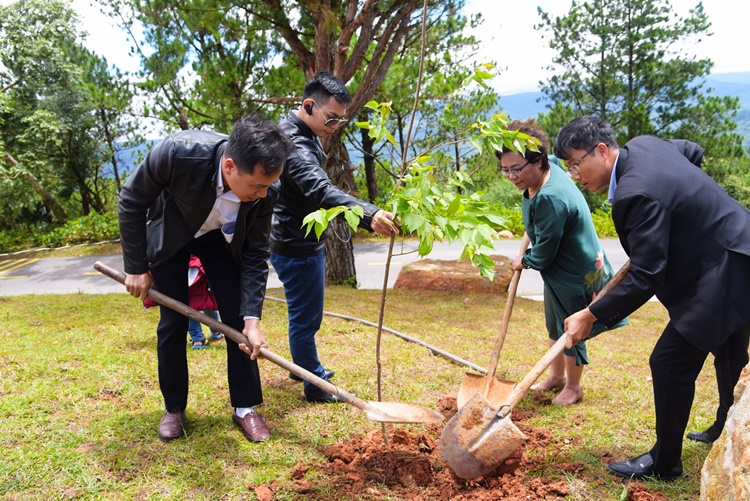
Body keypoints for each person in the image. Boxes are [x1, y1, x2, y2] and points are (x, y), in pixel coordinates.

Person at [557, 115, 750, 481]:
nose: (575, 175)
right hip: (740, 246)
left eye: (575, 164)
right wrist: (679, 206)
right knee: (727, 348)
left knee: (669, 362)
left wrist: (591, 314)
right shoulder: (645, 145)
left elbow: (646, 275)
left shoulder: (636, 193)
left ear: (601, 151)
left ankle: (665, 463)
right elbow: (691, 152)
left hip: (728, 270)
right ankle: (727, 426)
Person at [118, 113, 295, 443]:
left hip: (220, 240)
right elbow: (132, 198)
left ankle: (245, 407)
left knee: (237, 321)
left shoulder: (266, 190)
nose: (262, 193)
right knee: (173, 321)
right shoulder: (177, 153)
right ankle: (174, 408)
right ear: (229, 167)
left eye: (268, 185)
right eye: (256, 185)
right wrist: (136, 266)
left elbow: (256, 252)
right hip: (174, 231)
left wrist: (252, 320)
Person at [270, 71, 397, 403]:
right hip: (295, 244)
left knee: (303, 312)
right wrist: (368, 214)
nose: (335, 126)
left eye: (341, 120)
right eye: (331, 118)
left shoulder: (305, 129)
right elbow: (318, 188)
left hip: (297, 237)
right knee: (306, 316)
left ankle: (303, 367)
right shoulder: (293, 143)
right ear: (308, 105)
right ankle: (315, 385)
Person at [496, 119, 626, 406]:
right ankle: (555, 377)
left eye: (517, 169)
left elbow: (543, 254)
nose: (511, 176)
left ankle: (574, 386)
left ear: (538, 160)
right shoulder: (551, 166)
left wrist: (524, 260)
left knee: (571, 327)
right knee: (554, 323)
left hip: (574, 270)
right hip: (562, 268)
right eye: (505, 169)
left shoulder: (550, 198)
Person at [142, 254, 223, 349]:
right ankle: (207, 334)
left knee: (188, 303)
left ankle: (199, 338)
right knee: (200, 300)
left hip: (178, 266)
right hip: (189, 265)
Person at [185, 255, 223, 349]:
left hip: (185, 265)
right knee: (206, 300)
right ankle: (215, 331)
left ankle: (197, 339)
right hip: (200, 264)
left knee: (189, 304)